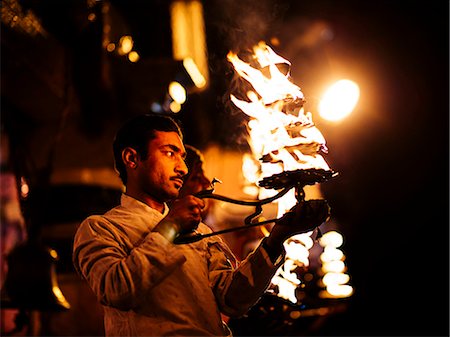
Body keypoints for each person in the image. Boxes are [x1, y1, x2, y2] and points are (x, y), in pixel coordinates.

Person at [72, 113, 330, 336]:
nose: (182, 168)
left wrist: (276, 240)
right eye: (170, 153)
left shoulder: (202, 233)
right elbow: (117, 289)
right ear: (132, 158)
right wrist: (171, 226)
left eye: (183, 157)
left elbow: (232, 301)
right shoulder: (100, 228)